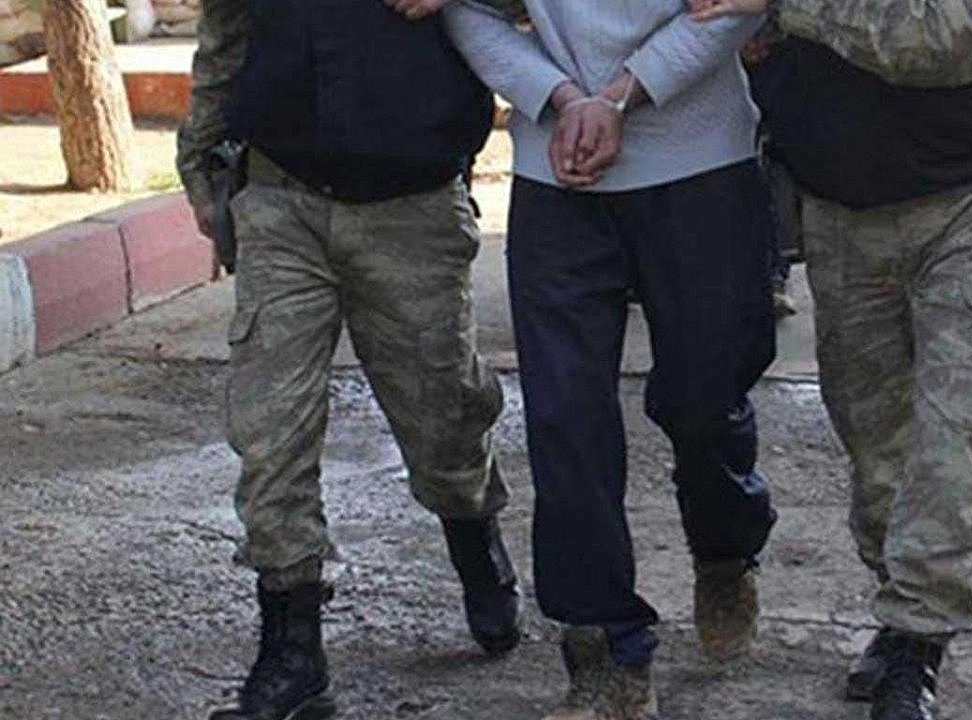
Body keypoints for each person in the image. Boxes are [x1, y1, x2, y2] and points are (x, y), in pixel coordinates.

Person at [690, 1, 972, 718]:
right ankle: (900, 605)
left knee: (956, 429)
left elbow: (951, 38)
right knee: (876, 444)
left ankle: (917, 640)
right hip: (842, 204)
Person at [389, 1, 780, 717]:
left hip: (701, 162)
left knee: (704, 398)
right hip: (558, 169)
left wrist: (624, 95)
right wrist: (562, 98)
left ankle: (725, 547)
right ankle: (603, 647)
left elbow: (734, 7)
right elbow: (464, 9)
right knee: (566, 416)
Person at [176, 1, 523, 718]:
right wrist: (200, 162)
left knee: (442, 417)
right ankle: (292, 647)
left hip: (413, 203)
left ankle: (472, 530)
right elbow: (225, 30)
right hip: (282, 200)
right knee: (270, 429)